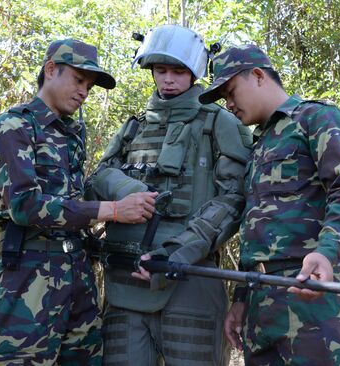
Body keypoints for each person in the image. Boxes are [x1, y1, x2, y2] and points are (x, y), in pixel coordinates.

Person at [0, 39, 157, 365]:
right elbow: (24, 205)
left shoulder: (72, 134)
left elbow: (75, 200)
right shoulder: (13, 127)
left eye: (88, 85)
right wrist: (114, 211)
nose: (84, 92)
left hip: (77, 272)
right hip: (29, 276)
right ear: (50, 70)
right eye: (78, 80)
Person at [85, 25, 252, 366]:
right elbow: (96, 179)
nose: (169, 80)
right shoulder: (135, 127)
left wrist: (181, 251)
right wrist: (125, 190)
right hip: (124, 282)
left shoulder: (220, 123)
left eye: (178, 71)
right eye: (161, 70)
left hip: (190, 281)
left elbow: (235, 198)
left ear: (194, 72)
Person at [198, 44, 340, 365]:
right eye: (224, 98)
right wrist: (242, 298)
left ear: (259, 76)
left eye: (231, 92)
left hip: (315, 300)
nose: (229, 104)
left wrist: (326, 253)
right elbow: (257, 228)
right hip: (262, 304)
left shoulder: (316, 118)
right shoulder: (259, 144)